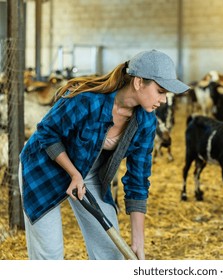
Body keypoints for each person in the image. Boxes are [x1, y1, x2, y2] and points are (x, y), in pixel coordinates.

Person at [18, 49, 190, 260]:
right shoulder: (87, 101)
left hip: (89, 170)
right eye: (160, 91)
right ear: (138, 82)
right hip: (43, 166)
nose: (163, 100)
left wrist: (138, 242)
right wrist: (73, 174)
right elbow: (47, 133)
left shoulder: (146, 121)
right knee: (50, 255)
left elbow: (138, 179)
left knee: (111, 254)